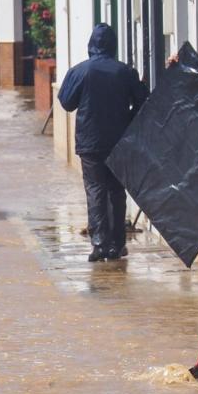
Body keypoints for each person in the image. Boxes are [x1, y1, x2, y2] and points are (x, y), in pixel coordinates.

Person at [58, 24, 149, 261]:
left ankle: (99, 243)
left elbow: (66, 102)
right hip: (118, 141)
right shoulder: (125, 72)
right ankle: (117, 245)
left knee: (95, 190)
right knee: (117, 191)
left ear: (91, 44)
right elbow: (143, 103)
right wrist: (127, 119)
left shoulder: (80, 71)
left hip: (90, 144)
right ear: (113, 45)